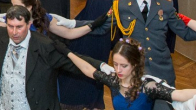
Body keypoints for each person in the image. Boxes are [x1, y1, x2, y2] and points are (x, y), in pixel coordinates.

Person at [0, 5, 105, 110]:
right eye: (10, 26)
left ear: (29, 23)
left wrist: (103, 67)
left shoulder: (44, 45)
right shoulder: (0, 37)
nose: (14, 32)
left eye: (19, 27)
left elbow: (73, 61)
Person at [93, 0, 196, 85]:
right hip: (133, 70)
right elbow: (102, 26)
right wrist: (76, 27)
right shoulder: (120, 4)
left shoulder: (165, 4)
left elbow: (185, 33)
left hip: (161, 70)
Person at [58, 0, 120, 110]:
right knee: (101, 54)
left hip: (94, 10)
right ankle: (94, 99)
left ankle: (75, 99)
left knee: (80, 52)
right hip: (110, 9)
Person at [58, 38, 196, 110]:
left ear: (134, 64)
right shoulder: (114, 81)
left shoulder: (148, 87)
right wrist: (67, 52)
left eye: (124, 66)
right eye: (115, 64)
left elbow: (181, 94)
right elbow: (87, 69)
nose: (118, 70)